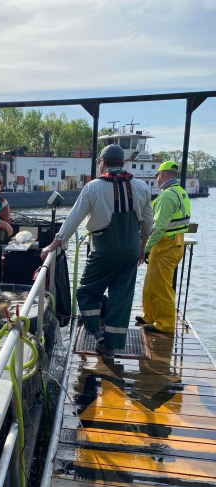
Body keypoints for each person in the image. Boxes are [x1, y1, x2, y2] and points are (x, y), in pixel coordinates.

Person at [41, 144, 153, 360]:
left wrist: (53, 245)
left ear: (103, 163)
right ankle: (112, 347)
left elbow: (73, 219)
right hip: (130, 250)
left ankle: (98, 336)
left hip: (104, 251)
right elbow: (148, 223)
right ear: (123, 163)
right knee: (122, 297)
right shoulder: (142, 188)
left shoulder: (93, 187)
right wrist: (142, 246)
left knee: (86, 292)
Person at [137, 161, 191, 333]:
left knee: (161, 286)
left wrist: (146, 248)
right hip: (173, 242)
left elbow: (159, 226)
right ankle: (150, 317)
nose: (157, 179)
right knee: (151, 283)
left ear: (161, 174)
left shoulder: (167, 196)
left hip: (165, 246)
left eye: (157, 176)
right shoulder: (180, 191)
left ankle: (165, 324)